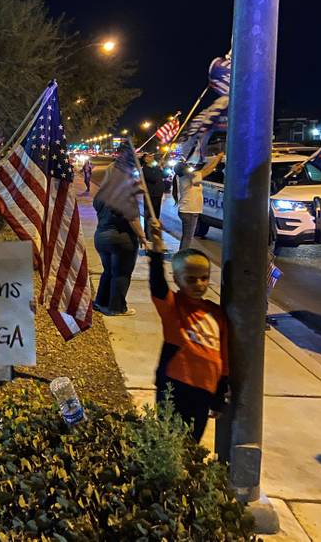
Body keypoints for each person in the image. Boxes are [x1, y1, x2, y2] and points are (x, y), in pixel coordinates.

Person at [148, 222, 228, 442]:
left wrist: (219, 395)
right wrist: (156, 250)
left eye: (204, 277)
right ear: (177, 279)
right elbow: (157, 286)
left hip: (204, 391)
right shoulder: (174, 307)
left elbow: (224, 358)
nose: (199, 284)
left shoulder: (216, 313)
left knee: (193, 441)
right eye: (190, 279)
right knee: (168, 440)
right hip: (174, 387)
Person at [92, 168, 148, 317]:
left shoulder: (101, 194)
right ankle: (116, 307)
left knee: (108, 271)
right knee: (121, 274)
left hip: (101, 237)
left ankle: (100, 302)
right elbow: (133, 218)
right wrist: (142, 237)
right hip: (121, 239)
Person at [174, 153, 223, 251]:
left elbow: (204, 168)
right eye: (187, 168)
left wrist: (211, 160)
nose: (190, 169)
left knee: (187, 237)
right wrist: (218, 158)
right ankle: (182, 256)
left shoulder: (184, 177)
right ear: (184, 170)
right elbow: (207, 170)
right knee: (188, 237)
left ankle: (182, 254)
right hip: (189, 211)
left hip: (188, 210)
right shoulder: (190, 177)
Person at [141, 153, 165, 237]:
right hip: (150, 195)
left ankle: (155, 233)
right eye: (149, 156)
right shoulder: (145, 169)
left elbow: (164, 175)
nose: (151, 157)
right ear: (145, 159)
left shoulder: (156, 167)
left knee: (156, 215)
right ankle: (148, 235)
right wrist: (157, 168)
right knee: (149, 216)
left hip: (158, 194)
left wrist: (162, 167)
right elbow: (153, 178)